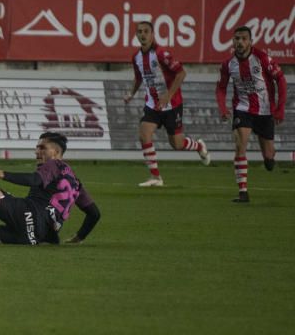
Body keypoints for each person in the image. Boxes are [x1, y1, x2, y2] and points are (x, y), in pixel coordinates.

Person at [123, 21, 210, 187]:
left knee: (177, 144)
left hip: (172, 105)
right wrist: (130, 94)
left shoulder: (161, 53)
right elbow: (139, 78)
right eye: (139, 31)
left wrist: (167, 96)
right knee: (144, 134)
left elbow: (181, 73)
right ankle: (156, 177)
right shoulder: (136, 57)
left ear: (152, 34)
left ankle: (198, 145)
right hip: (152, 105)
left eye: (146, 31)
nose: (142, 34)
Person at [215, 25, 287, 203]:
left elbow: (281, 79)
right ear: (233, 41)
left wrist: (280, 107)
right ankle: (243, 193)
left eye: (243, 39)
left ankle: (269, 160)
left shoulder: (262, 58)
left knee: (268, 157)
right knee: (240, 145)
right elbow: (221, 88)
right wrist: (223, 108)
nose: (240, 42)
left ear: (250, 41)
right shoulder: (228, 64)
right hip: (243, 109)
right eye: (237, 38)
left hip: (265, 111)